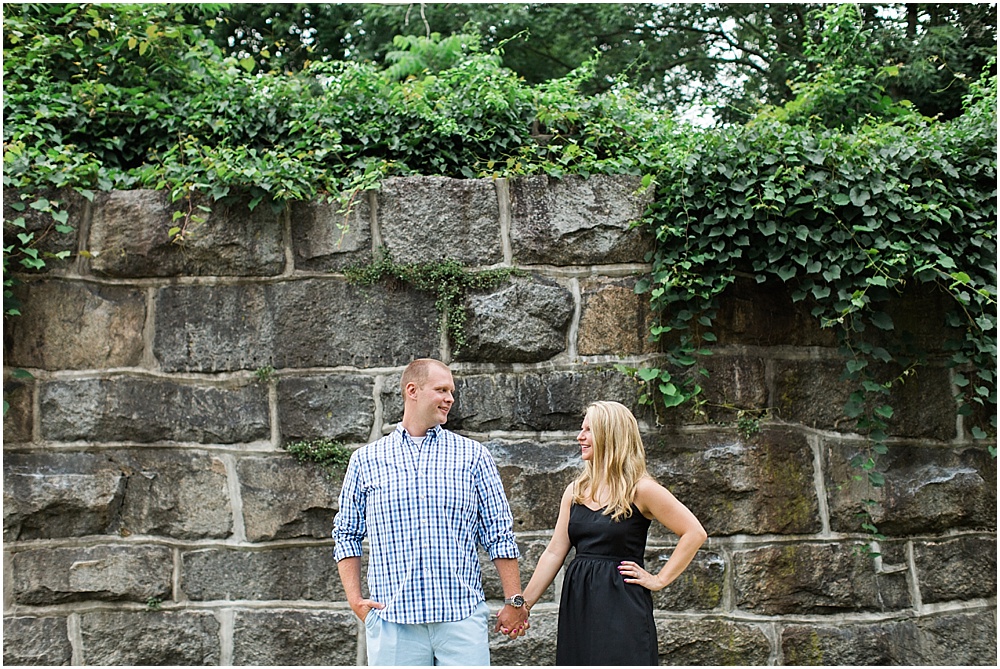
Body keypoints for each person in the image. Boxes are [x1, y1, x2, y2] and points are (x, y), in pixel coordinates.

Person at [332, 358, 530, 666]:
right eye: (441, 390)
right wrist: (355, 600)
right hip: (393, 622)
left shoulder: (473, 456)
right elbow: (347, 532)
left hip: (461, 619)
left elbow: (498, 533)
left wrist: (514, 600)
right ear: (412, 390)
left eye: (451, 391)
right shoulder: (366, 460)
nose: (450, 398)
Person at [522, 400, 707, 665]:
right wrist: (523, 605)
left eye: (589, 430)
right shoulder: (576, 491)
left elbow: (694, 532)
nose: (580, 436)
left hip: (622, 605)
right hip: (579, 603)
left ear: (610, 435)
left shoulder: (641, 489)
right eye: (581, 429)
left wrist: (659, 579)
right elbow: (554, 552)